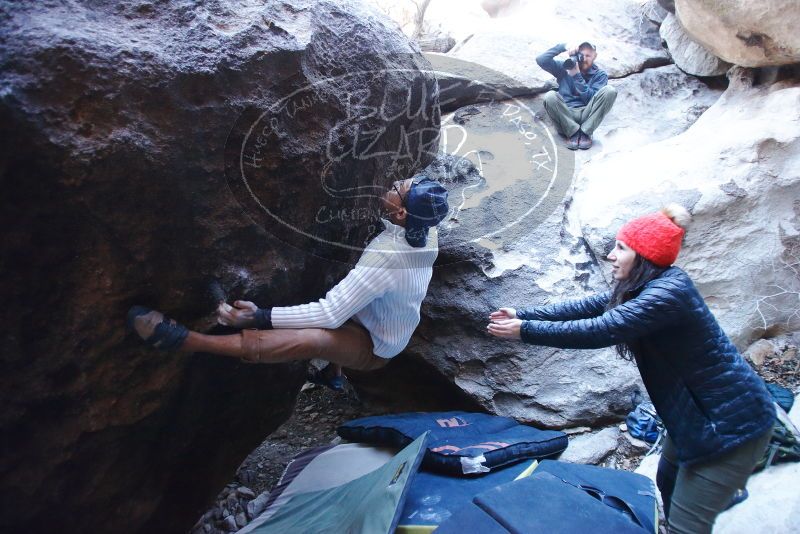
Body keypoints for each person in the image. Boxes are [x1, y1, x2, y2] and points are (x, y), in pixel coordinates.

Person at [487, 204, 775, 534]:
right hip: (694, 419)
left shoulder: (668, 293)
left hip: (730, 427)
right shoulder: (644, 288)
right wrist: (524, 314)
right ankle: (718, 492)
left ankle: (720, 489)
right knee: (667, 482)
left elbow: (601, 329)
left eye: (621, 248)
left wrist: (525, 330)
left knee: (685, 527)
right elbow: (589, 307)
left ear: (644, 256)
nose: (611, 255)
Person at [128, 175, 449, 382]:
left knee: (313, 339)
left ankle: (186, 341)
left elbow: (330, 314)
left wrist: (261, 317)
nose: (394, 183)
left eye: (399, 189)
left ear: (401, 215)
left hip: (376, 345)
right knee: (346, 286)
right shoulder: (426, 232)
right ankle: (334, 372)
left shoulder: (386, 258)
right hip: (381, 318)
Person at [536, 41, 617, 150]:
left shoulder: (600, 75)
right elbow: (541, 60)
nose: (584, 59)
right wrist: (563, 46)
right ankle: (572, 132)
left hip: (587, 116)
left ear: (595, 56)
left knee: (610, 91)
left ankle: (585, 132)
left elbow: (591, 99)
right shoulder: (564, 67)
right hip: (566, 116)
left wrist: (576, 76)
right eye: (581, 55)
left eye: (588, 55)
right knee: (550, 96)